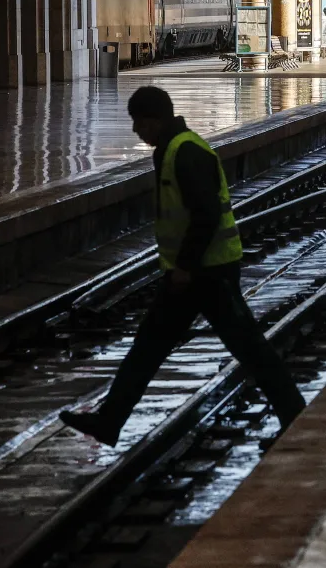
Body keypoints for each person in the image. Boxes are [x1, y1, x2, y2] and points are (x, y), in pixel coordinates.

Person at [60, 87, 305, 448]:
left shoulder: (186, 152)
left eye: (138, 123)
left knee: (249, 348)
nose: (135, 131)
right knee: (149, 346)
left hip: (210, 273)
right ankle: (109, 421)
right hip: (191, 274)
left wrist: (186, 266)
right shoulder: (171, 150)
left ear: (154, 120)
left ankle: (294, 414)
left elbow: (205, 215)